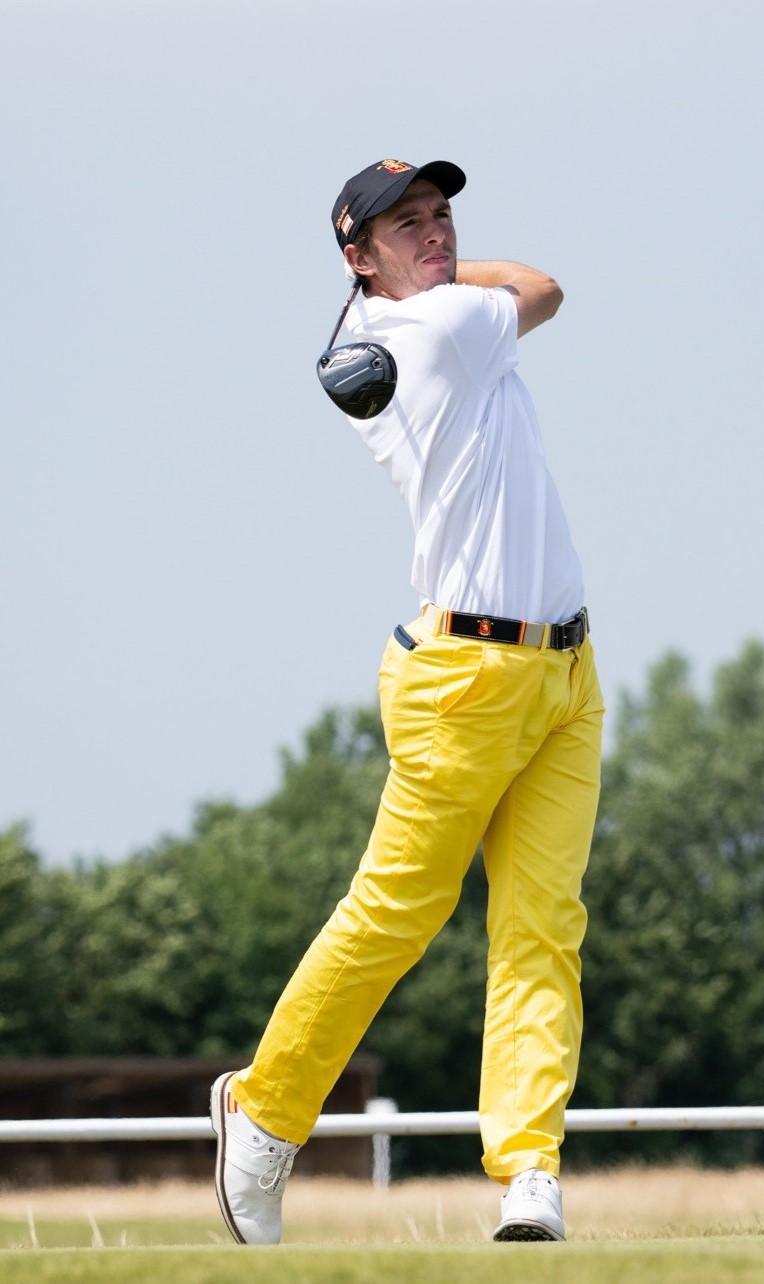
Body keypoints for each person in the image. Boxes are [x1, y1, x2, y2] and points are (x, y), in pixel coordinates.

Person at [210, 158, 604, 1246]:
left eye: (441, 215)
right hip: (464, 679)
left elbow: (511, 289)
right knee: (394, 913)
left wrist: (400, 273)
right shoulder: (441, 328)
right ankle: (264, 1111)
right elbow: (544, 285)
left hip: (566, 671)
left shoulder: (403, 321)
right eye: (406, 225)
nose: (436, 233)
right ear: (356, 254)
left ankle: (529, 1170)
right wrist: (437, 280)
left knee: (543, 927)